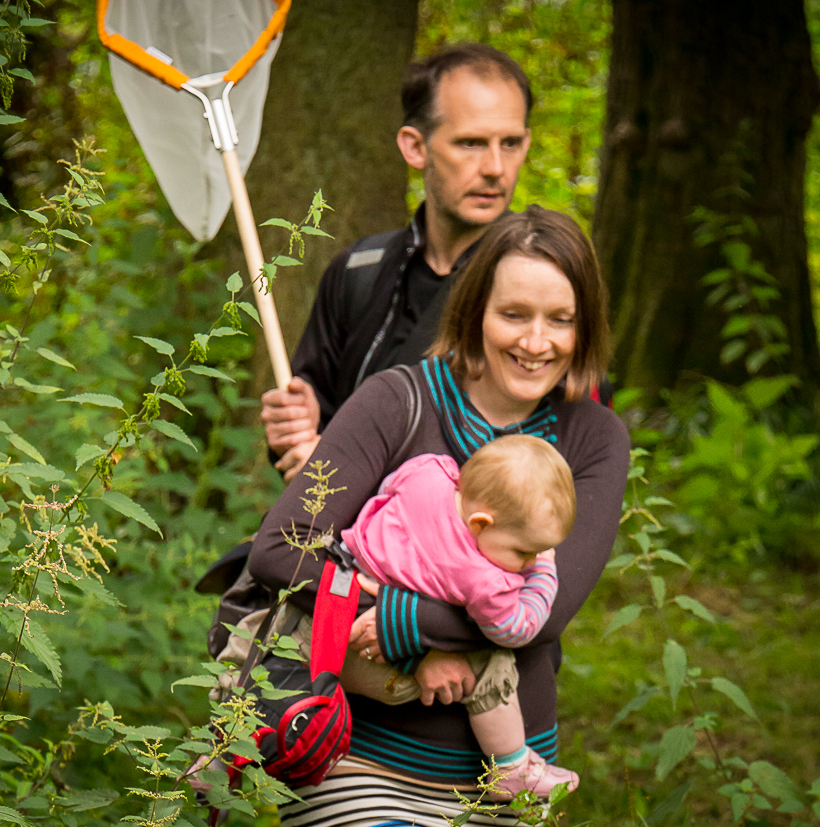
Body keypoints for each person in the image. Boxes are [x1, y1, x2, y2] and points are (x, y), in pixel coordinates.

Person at [248, 206, 630, 826]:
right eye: (514, 315)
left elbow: (542, 616)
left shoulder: (594, 437)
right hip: (360, 761)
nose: (538, 343)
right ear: (474, 308)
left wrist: (407, 617)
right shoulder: (396, 401)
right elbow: (282, 547)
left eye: (561, 320)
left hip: (508, 779)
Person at [261, 44, 533, 482]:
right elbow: (307, 447)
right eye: (471, 143)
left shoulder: (540, 283)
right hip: (336, 543)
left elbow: (547, 471)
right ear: (414, 147)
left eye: (511, 143)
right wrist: (298, 426)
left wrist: (337, 468)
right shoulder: (359, 272)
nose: (495, 168)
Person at [340, 436, 580, 800]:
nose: (530, 561)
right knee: (492, 663)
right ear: (481, 523)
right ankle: (510, 769)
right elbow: (516, 630)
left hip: (337, 596)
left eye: (537, 553)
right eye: (524, 550)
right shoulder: (484, 581)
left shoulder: (428, 471)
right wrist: (545, 572)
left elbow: (390, 485)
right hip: (364, 650)